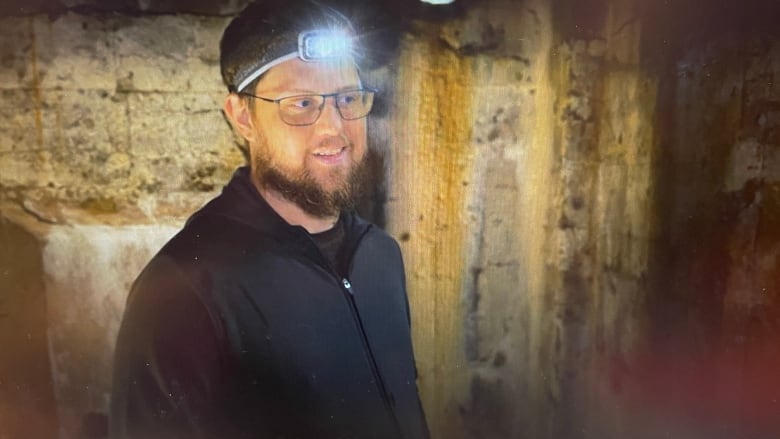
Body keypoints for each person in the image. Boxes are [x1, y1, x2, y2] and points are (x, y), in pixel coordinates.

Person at [109, 1, 429, 438]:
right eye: (301, 103)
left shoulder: (380, 254)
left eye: (349, 98)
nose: (333, 128)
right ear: (243, 116)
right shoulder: (184, 288)